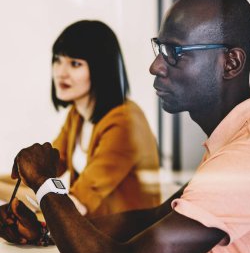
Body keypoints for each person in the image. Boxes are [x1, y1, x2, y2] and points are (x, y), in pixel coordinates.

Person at [1, 0, 250, 253]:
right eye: (160, 48)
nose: (155, 66)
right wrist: (46, 234)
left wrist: (46, 185)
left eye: (175, 51)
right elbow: (154, 217)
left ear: (230, 62)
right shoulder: (249, 132)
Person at [0, 20, 160, 217]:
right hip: (94, 232)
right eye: (58, 60)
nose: (61, 72)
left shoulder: (125, 122)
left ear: (101, 69)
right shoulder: (77, 114)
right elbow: (44, 172)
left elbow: (73, 205)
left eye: (75, 64)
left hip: (128, 240)